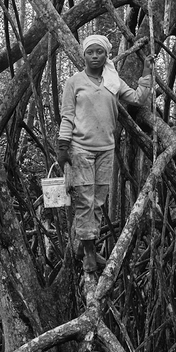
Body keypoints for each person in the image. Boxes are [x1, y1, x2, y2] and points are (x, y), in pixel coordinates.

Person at [57, 35, 153, 273]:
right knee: (85, 200)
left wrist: (147, 72)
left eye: (99, 52)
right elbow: (67, 115)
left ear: (106, 54)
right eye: (91, 52)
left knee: (98, 200)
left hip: (106, 149)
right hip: (80, 149)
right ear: (84, 55)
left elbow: (137, 98)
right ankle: (89, 253)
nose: (95, 56)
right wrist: (62, 145)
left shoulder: (113, 81)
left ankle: (84, 245)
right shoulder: (74, 82)